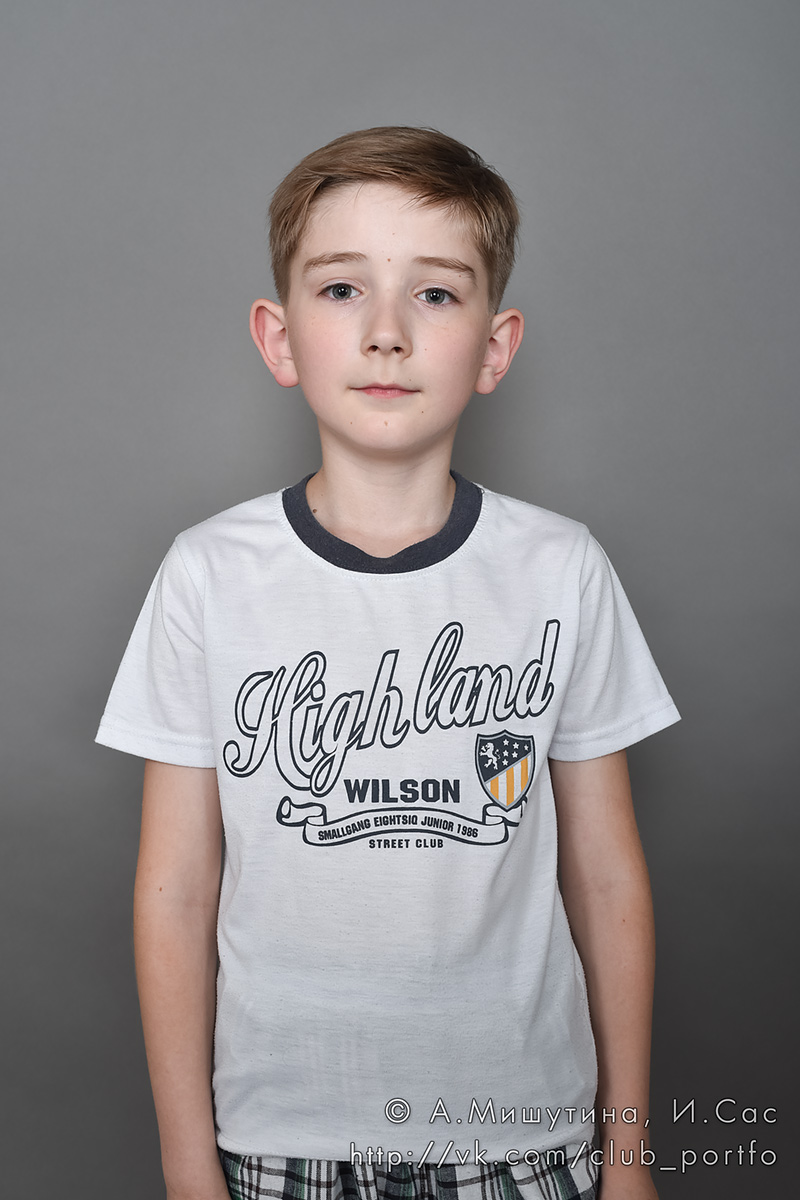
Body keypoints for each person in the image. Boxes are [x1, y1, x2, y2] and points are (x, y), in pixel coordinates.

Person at [96, 126, 679, 1200]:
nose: (385, 334)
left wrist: (630, 1155)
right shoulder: (207, 575)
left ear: (495, 347)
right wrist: (187, 1166)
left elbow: (605, 879)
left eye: (436, 294)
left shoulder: (560, 570)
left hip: (522, 1140)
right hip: (279, 1142)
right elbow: (175, 890)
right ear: (279, 340)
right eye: (341, 289)